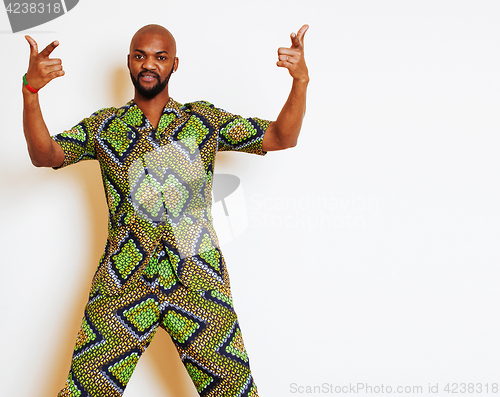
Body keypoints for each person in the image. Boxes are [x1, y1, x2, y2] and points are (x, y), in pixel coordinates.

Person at [22, 23, 309, 397]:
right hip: (123, 281)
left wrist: (299, 81)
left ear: (175, 64)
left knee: (235, 391)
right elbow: (45, 155)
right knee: (86, 390)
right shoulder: (104, 126)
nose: (149, 64)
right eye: (140, 56)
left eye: (160, 57)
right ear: (129, 62)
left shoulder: (203, 121)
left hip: (197, 280)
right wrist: (30, 92)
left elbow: (281, 137)